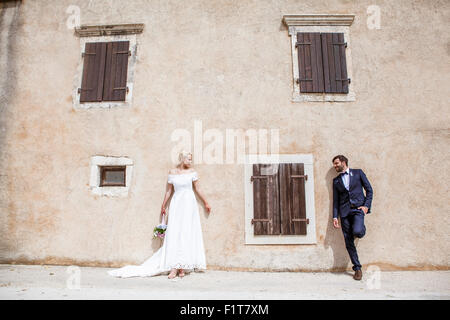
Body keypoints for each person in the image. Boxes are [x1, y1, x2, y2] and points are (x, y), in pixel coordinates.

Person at [107, 151, 211, 279]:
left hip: (189, 204)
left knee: (186, 232)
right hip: (177, 203)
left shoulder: (192, 172)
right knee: (175, 233)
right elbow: (169, 191)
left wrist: (206, 202)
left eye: (191, 159)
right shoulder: (172, 173)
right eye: (188, 159)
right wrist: (163, 205)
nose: (190, 161)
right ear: (182, 159)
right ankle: (174, 267)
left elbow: (198, 188)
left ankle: (182, 267)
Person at [332, 155, 373, 280]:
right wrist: (335, 217)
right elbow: (336, 201)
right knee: (348, 241)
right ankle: (357, 268)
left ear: (344, 162)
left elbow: (369, 190)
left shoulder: (358, 173)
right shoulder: (336, 181)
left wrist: (366, 206)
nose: (335, 166)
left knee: (358, 231)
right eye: (334, 164)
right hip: (344, 213)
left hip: (358, 210)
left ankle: (361, 230)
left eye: (336, 163)